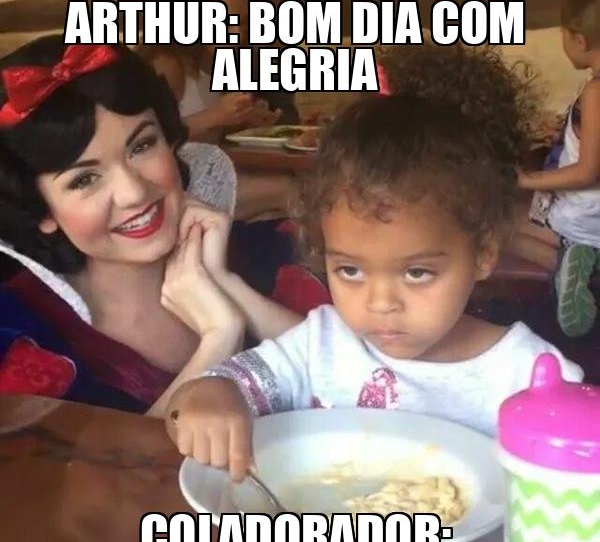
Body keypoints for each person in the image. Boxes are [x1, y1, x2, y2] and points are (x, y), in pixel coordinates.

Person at [164, 46, 583, 480]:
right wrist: (209, 397)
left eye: (417, 273)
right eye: (350, 270)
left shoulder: (528, 375)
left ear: (484, 254)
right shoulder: (320, 345)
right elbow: (205, 396)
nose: (380, 303)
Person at [0, 36, 301, 416]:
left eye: (141, 146)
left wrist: (229, 287)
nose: (133, 192)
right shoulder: (22, 331)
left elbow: (361, 383)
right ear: (42, 210)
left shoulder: (262, 253)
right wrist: (219, 339)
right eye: (84, 179)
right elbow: (112, 457)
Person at [511, 0, 600, 338]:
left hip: (584, 216)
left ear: (579, 40)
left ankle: (575, 269)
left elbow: (587, 172)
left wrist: (524, 179)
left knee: (499, 225)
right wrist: (564, 130)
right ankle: (580, 261)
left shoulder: (595, 92)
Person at [139, 0, 299, 144]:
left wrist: (245, 120)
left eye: (243, 22)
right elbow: (143, 136)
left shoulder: (224, 60)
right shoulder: (166, 64)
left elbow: (208, 136)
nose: (238, 34)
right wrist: (215, 116)